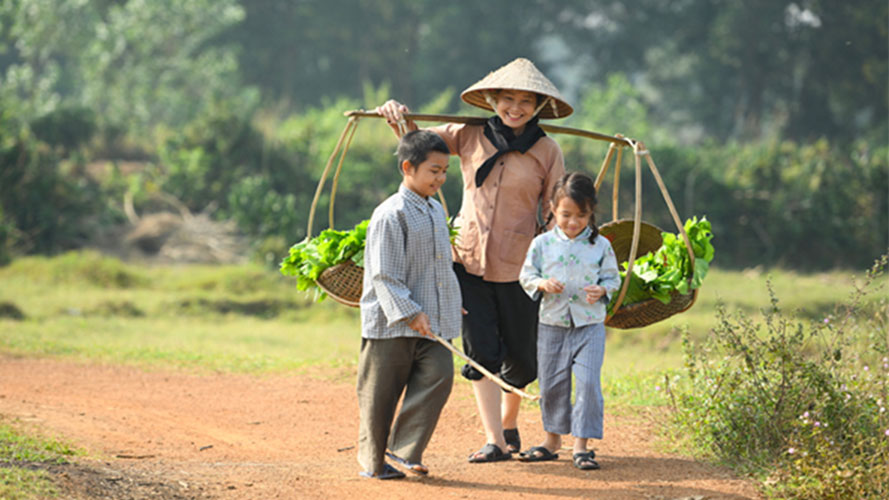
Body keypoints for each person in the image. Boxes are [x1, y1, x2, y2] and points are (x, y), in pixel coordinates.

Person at [376, 58, 573, 463]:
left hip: (522, 268)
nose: (514, 108)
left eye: (524, 102)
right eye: (507, 99)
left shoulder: (547, 150)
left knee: (522, 355)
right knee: (480, 350)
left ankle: (509, 420)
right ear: (493, 100)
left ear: (537, 106)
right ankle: (495, 440)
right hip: (467, 262)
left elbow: (557, 208)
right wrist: (396, 114)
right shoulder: (468, 134)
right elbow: (418, 142)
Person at [356, 129, 462, 479]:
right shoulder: (391, 214)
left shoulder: (434, 211)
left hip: (429, 324)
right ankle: (373, 464)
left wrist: (450, 303)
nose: (441, 178)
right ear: (408, 167)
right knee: (380, 397)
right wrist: (410, 312)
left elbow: (439, 266)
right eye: (434, 170)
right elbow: (384, 276)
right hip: (390, 326)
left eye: (445, 171)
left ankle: (403, 450)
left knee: (440, 375)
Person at [517, 171, 621, 470]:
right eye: (565, 214)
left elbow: (613, 279)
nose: (573, 222)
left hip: (590, 325)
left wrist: (602, 289)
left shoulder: (601, 246)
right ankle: (552, 441)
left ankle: (582, 446)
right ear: (551, 208)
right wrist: (542, 284)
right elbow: (526, 274)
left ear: (591, 213)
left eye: (581, 215)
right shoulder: (542, 244)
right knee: (552, 384)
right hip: (552, 324)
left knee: (588, 383)